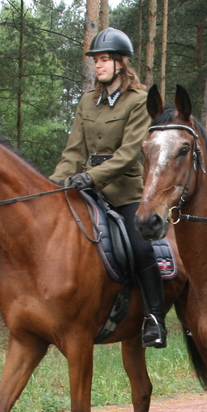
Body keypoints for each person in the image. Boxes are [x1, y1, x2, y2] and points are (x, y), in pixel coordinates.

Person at [50, 27, 169, 348]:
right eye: (96, 60)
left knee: (142, 246)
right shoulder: (87, 102)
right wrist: (52, 187)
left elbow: (130, 153)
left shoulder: (139, 100)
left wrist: (92, 177)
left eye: (104, 60)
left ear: (121, 63)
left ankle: (155, 318)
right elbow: (74, 152)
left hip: (125, 192)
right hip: (88, 189)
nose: (98, 66)